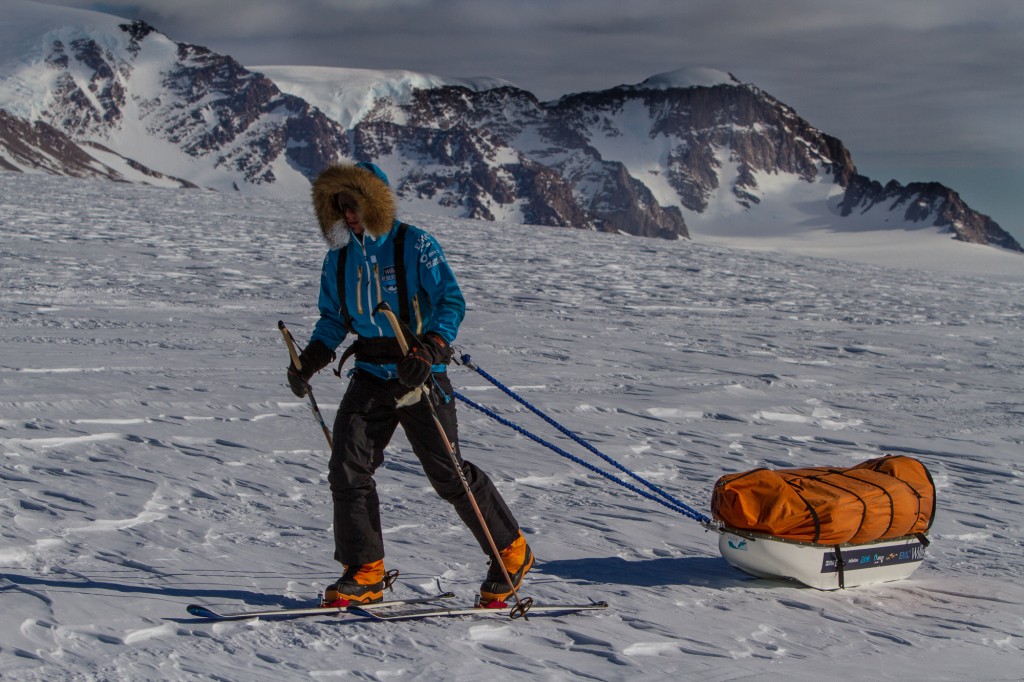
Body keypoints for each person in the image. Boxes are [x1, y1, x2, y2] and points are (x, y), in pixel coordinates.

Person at [287, 161, 532, 606]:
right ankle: (365, 570)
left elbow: (450, 301)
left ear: (374, 201)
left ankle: (512, 552)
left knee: (448, 475)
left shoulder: (414, 244)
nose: (349, 215)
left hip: (420, 373)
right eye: (340, 207)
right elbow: (334, 319)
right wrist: (311, 359)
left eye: (355, 204)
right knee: (347, 468)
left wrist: (430, 349)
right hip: (370, 374)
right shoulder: (338, 259)